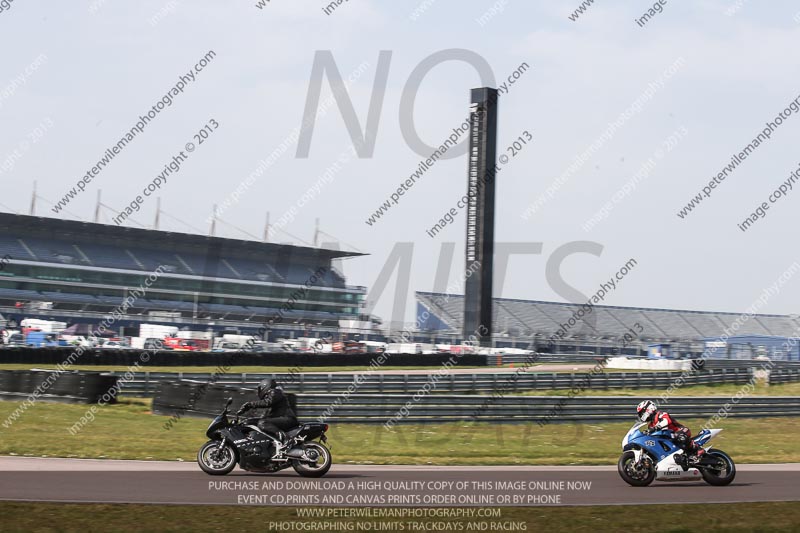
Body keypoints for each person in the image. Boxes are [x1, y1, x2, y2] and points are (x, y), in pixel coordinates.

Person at [636, 400, 704, 469]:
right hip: (669, 439)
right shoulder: (650, 425)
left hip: (681, 431)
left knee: (678, 436)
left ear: (649, 408)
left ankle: (698, 449)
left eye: (642, 413)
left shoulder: (660, 414)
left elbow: (666, 421)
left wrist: (656, 428)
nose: (642, 415)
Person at [237, 380, 298, 451]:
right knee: (253, 422)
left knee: (262, 423)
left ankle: (286, 439)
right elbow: (265, 415)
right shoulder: (272, 396)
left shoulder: (275, 392)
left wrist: (250, 404)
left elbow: (268, 402)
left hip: (287, 418)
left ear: (265, 386)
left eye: (260, 389)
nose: (259, 391)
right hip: (281, 418)